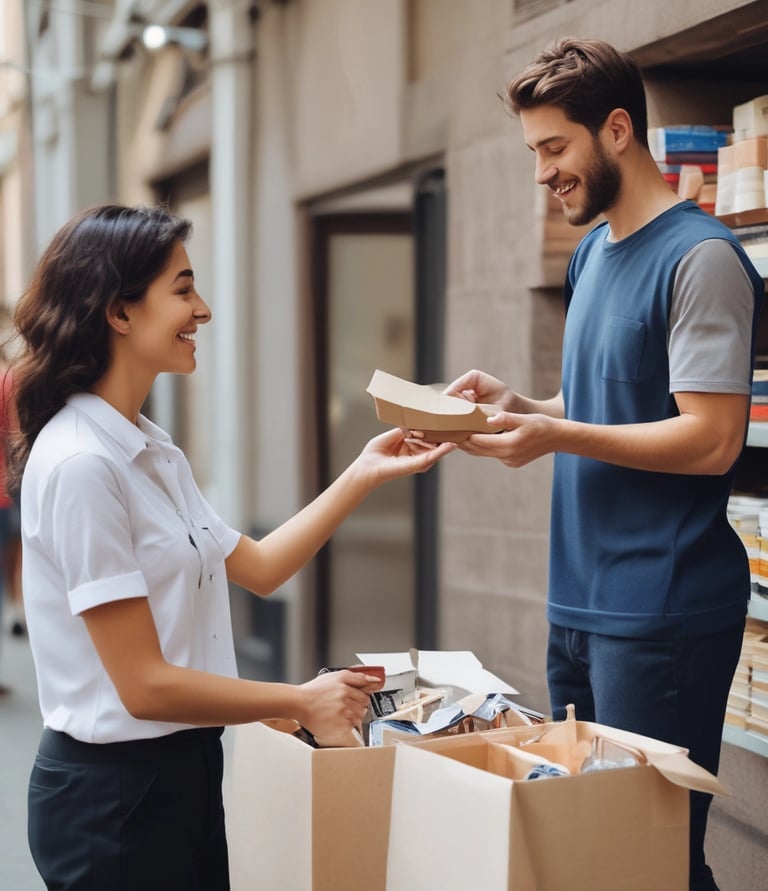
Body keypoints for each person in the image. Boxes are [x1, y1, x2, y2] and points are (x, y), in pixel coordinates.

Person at [9, 203, 456, 891]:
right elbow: (142, 683)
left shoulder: (151, 450)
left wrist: (366, 468)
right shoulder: (82, 464)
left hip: (180, 774)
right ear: (119, 312)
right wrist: (299, 699)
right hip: (112, 804)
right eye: (183, 289)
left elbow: (263, 567)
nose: (204, 309)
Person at [441, 38, 764, 891]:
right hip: (578, 606)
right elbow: (599, 406)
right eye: (534, 153)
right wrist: (522, 408)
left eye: (555, 149)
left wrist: (556, 436)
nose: (542, 174)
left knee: (649, 857)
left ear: (617, 129)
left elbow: (710, 437)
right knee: (595, 848)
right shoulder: (592, 255)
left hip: (660, 611)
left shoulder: (700, 260)